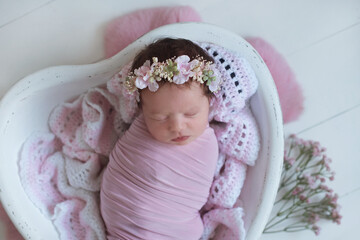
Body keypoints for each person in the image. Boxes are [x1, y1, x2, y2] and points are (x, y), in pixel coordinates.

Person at [100, 38, 221, 240]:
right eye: (159, 117)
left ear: (209, 100)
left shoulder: (208, 144)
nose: (177, 127)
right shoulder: (139, 133)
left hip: (173, 228)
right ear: (142, 111)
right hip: (123, 220)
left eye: (191, 114)